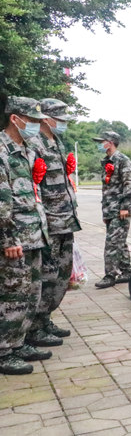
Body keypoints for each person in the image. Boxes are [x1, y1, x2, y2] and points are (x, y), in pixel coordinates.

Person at [0, 97, 51, 374]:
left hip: (34, 234)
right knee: (11, 296)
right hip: (14, 238)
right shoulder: (2, 150)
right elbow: (1, 200)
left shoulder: (28, 150)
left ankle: (19, 342)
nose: (34, 125)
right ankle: (4, 351)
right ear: (15, 118)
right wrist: (7, 239)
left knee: (31, 293)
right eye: (30, 120)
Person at [24, 99, 80, 348]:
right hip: (49, 223)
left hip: (65, 220)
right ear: (47, 119)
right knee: (47, 275)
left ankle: (45, 318)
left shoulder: (57, 142)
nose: (63, 124)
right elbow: (31, 186)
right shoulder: (34, 144)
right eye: (60, 120)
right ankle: (35, 326)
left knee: (62, 273)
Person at [93, 130, 131, 289]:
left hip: (120, 209)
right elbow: (107, 188)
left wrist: (124, 207)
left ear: (110, 142)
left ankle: (110, 275)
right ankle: (126, 271)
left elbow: (128, 186)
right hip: (110, 209)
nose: (99, 144)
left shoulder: (123, 160)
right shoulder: (106, 161)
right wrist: (105, 212)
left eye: (101, 141)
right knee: (119, 241)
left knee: (112, 243)